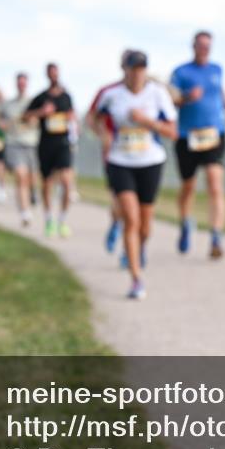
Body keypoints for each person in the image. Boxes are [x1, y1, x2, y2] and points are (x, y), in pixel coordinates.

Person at [94, 49, 178, 299]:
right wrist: (104, 135)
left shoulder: (158, 94)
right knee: (131, 219)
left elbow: (172, 132)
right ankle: (136, 278)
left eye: (142, 67)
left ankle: (139, 249)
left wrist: (146, 121)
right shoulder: (111, 95)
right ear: (125, 69)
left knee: (145, 224)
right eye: (133, 67)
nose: (137, 72)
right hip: (120, 161)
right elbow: (95, 118)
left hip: (150, 161)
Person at [171, 30, 225, 258]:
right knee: (188, 187)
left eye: (208, 46)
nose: (204, 49)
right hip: (188, 136)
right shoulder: (180, 72)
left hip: (215, 134)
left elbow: (220, 92)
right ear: (193, 46)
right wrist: (188, 97)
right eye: (201, 45)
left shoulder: (217, 70)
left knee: (215, 183)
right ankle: (186, 223)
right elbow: (171, 99)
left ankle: (216, 235)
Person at [25, 63, 76, 238]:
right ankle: (49, 220)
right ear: (47, 75)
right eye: (51, 73)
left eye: (56, 73)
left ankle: (62, 220)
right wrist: (42, 112)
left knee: (67, 182)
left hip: (63, 143)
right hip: (46, 144)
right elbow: (26, 116)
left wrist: (72, 120)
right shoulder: (41, 97)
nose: (54, 76)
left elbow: (72, 115)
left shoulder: (66, 96)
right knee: (47, 183)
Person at [86, 53, 128, 261]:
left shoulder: (151, 91)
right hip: (115, 155)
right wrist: (103, 135)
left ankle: (131, 250)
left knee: (138, 207)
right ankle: (116, 224)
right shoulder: (108, 92)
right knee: (120, 199)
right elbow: (91, 117)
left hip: (144, 157)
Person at [0, 72, 40, 227]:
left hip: (31, 144)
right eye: (19, 82)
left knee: (31, 178)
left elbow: (39, 120)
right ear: (16, 84)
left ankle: (33, 193)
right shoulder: (8, 104)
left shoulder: (34, 102)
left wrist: (31, 119)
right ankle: (25, 213)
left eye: (24, 82)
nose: (21, 85)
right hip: (14, 144)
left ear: (27, 84)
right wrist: (4, 125)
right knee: (20, 176)